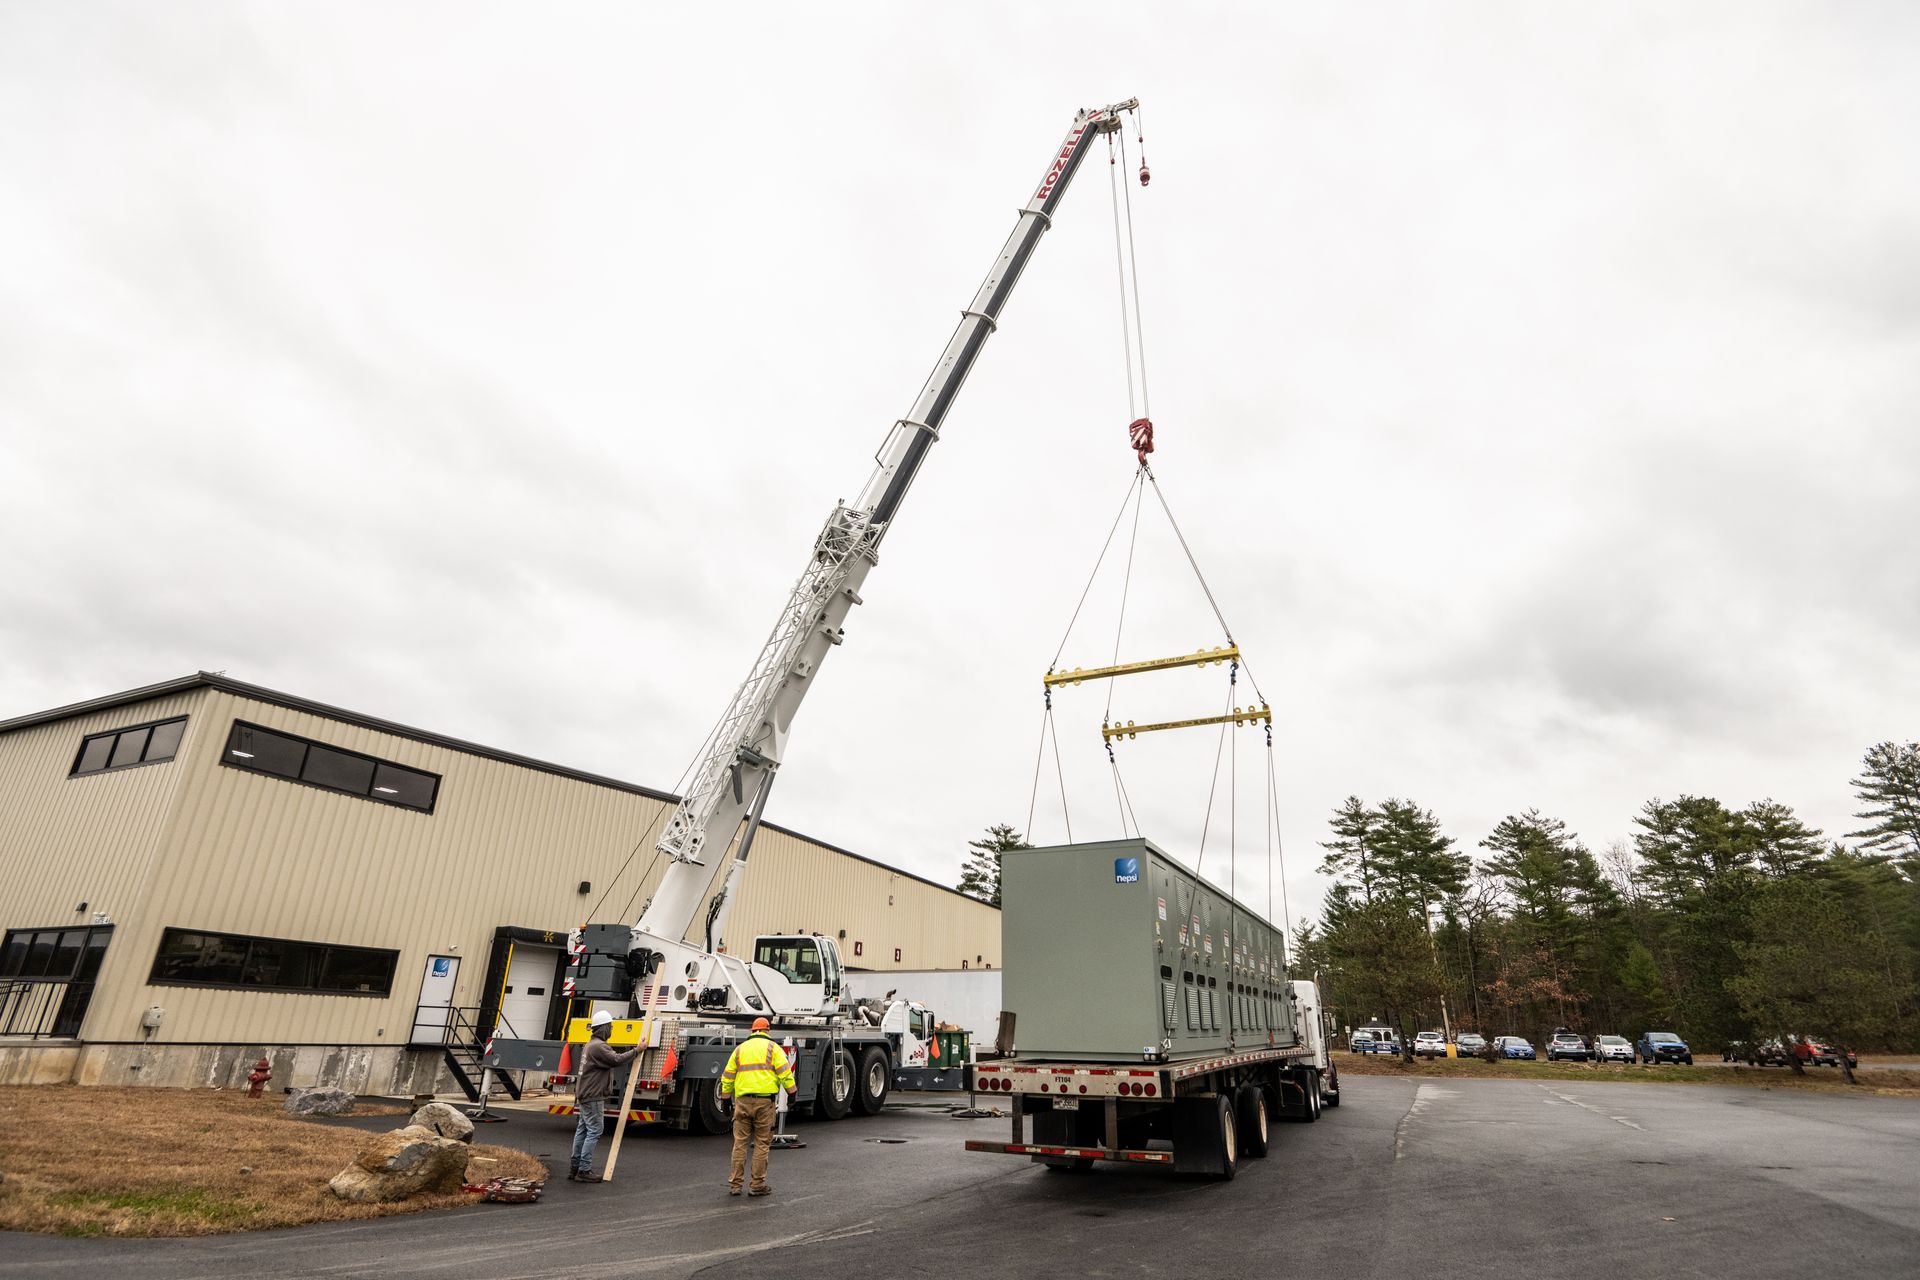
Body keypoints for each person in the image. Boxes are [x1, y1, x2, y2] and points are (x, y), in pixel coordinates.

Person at [720, 1016, 796, 1197]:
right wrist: (792, 1093)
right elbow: (785, 1074)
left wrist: (725, 1099)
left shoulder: (740, 1050)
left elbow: (728, 1076)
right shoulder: (774, 1049)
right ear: (767, 1031)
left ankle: (736, 1185)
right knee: (762, 1144)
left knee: (740, 1144)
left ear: (752, 1031)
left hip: (742, 1102)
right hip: (764, 1103)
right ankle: (757, 1185)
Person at [570, 1009, 640, 1183]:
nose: (611, 1030)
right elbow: (617, 1060)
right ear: (603, 1028)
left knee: (583, 1130)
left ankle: (575, 1167)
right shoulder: (599, 1047)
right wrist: (637, 1050)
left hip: (585, 1093)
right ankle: (584, 1170)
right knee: (594, 1130)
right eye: (610, 1027)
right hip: (593, 1095)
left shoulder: (590, 1045)